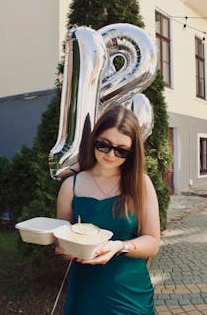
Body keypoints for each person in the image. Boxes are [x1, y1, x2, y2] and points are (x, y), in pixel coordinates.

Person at [56, 104, 160, 315]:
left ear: (132, 152)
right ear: (94, 139)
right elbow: (62, 237)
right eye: (104, 145)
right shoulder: (71, 186)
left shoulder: (141, 183)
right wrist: (64, 248)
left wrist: (118, 246)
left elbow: (152, 241)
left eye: (121, 150)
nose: (111, 154)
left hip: (130, 293)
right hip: (86, 289)